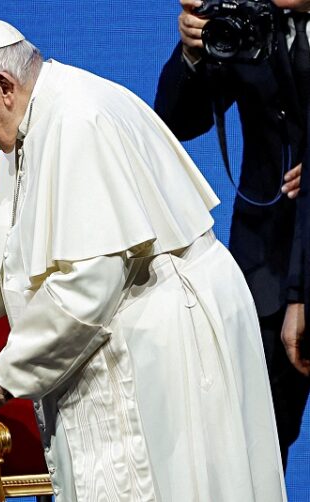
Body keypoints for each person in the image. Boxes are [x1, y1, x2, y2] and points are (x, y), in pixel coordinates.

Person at [0, 17, 287, 502]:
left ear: (4, 86)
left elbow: (87, 286)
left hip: (168, 332)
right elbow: (7, 259)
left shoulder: (78, 120)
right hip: (131, 323)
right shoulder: (30, 124)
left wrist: (6, 371)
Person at [155, 0, 310, 466]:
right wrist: (194, 52)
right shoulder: (246, 18)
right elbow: (178, 120)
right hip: (267, 261)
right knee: (258, 440)